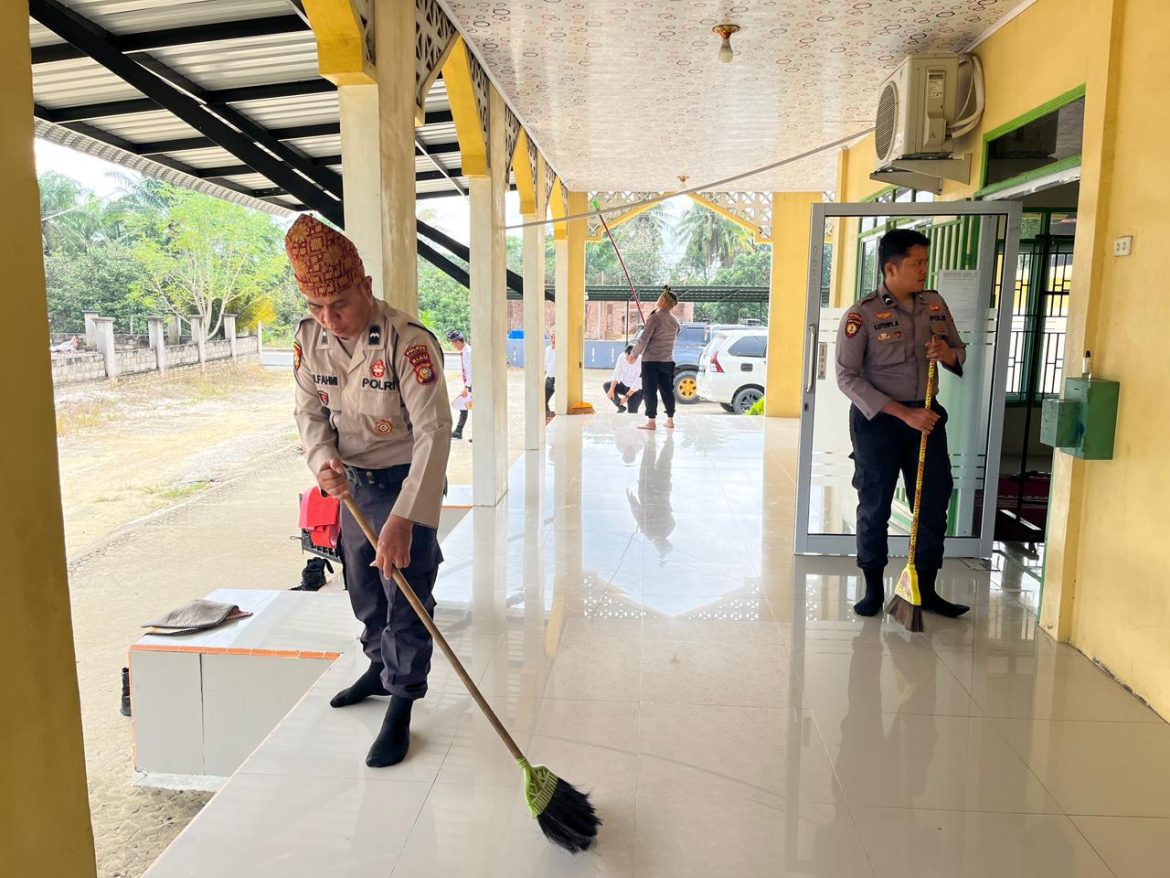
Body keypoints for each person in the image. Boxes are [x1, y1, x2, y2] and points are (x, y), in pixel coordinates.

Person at [288, 214, 451, 767]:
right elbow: (309, 413)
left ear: (367, 287)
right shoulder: (311, 340)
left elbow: (433, 433)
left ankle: (403, 699)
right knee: (362, 587)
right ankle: (379, 671)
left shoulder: (409, 344)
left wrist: (406, 518)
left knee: (404, 591)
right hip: (353, 487)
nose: (328, 319)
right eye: (316, 306)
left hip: (407, 483)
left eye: (339, 303)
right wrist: (322, 461)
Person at [835, 228, 969, 620]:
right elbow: (847, 377)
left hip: (926, 418)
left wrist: (946, 353)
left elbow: (959, 351)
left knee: (932, 503)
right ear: (891, 268)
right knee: (874, 505)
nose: (925, 270)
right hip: (879, 422)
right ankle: (873, 589)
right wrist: (903, 412)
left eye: (925, 262)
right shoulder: (862, 314)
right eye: (917, 263)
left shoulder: (934, 304)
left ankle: (924, 588)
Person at [632, 285, 681, 430]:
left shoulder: (654, 318)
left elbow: (644, 339)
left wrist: (634, 354)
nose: (658, 299)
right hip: (667, 362)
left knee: (650, 391)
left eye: (660, 297)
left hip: (651, 362)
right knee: (667, 390)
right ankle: (670, 420)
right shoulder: (675, 322)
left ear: (664, 301)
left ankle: (651, 422)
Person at [604, 345, 643, 413]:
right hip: (625, 385)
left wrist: (626, 397)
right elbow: (617, 374)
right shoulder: (622, 357)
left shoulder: (641, 361)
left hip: (637, 390)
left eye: (631, 359)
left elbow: (637, 384)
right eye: (627, 358)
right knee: (607, 386)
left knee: (632, 413)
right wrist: (611, 390)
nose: (628, 361)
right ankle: (620, 407)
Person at [448, 330, 472, 440]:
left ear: (457, 342)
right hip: (470, 384)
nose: (453, 346)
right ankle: (458, 431)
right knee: (464, 406)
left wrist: (467, 387)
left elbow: (471, 371)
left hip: (472, 384)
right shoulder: (465, 351)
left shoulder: (468, 353)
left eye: (453, 343)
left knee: (473, 407)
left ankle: (479, 433)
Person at [544, 330, 556, 416]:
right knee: (543, 401)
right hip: (549, 378)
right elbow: (546, 364)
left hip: (558, 379)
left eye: (555, 337)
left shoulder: (561, 350)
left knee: (560, 404)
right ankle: (549, 417)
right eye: (551, 337)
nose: (553, 339)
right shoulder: (547, 350)